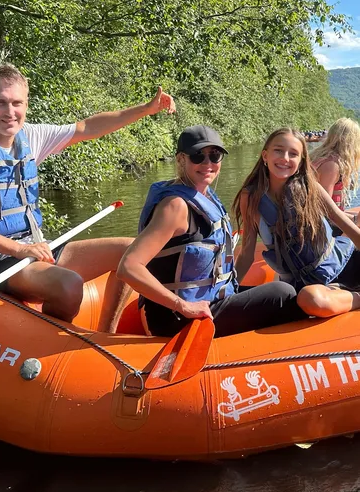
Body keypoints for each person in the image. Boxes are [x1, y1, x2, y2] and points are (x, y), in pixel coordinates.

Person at [0, 62, 175, 324]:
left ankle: (105, 332)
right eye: (0, 103)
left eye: (17, 103)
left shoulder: (30, 136)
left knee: (133, 251)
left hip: (37, 248)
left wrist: (147, 109)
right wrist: (17, 249)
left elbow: (87, 128)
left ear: (26, 104)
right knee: (69, 284)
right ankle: (57, 344)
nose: (10, 112)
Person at [116, 125, 304, 338]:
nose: (208, 164)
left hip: (211, 301)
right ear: (181, 160)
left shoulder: (205, 196)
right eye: (198, 156)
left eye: (214, 156)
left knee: (287, 292)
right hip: (177, 318)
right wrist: (183, 306)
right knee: (282, 294)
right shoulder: (175, 206)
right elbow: (128, 267)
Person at [233, 127, 360, 319]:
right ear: (265, 155)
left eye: (293, 154)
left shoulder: (310, 187)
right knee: (311, 299)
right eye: (278, 150)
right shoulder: (250, 197)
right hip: (312, 287)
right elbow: (246, 255)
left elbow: (341, 221)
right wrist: (227, 292)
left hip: (345, 263)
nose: (285, 158)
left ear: (300, 162)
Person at [310, 118, 360, 225]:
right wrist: (355, 220)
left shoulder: (319, 156)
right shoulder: (332, 165)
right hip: (322, 226)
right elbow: (324, 209)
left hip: (324, 220)